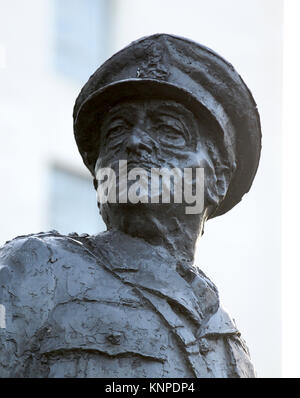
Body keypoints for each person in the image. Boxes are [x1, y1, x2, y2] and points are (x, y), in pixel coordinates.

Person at [0, 34, 261, 378]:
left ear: (217, 180)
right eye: (117, 131)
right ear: (98, 174)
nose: (135, 142)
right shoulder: (35, 267)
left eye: (169, 130)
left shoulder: (231, 344)